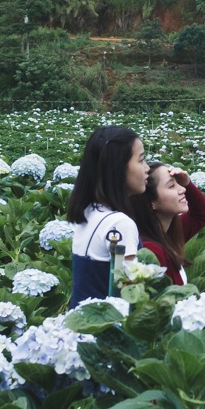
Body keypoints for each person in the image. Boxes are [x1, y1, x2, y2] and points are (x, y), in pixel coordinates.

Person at [65, 125, 149, 305]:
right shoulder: (119, 224)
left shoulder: (89, 212)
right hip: (105, 328)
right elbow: (128, 294)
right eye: (141, 160)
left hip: (80, 324)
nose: (147, 168)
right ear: (118, 168)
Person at [129, 162, 205, 287]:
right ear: (151, 203)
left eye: (179, 183)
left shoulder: (168, 233)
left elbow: (202, 214)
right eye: (172, 186)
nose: (182, 189)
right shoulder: (151, 251)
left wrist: (188, 183)